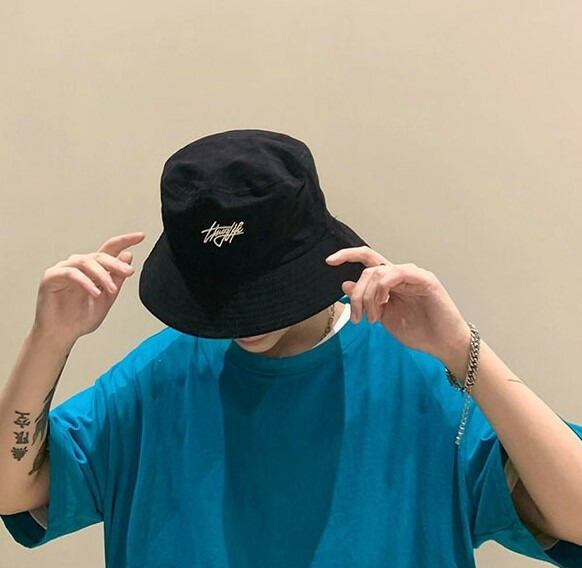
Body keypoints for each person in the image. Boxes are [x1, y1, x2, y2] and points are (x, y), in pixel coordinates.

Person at [0, 129, 581, 568]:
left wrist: (459, 347)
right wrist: (48, 340)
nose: (243, 323)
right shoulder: (157, 379)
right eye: (222, 298)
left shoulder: (423, 382)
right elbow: (13, 490)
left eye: (260, 295)